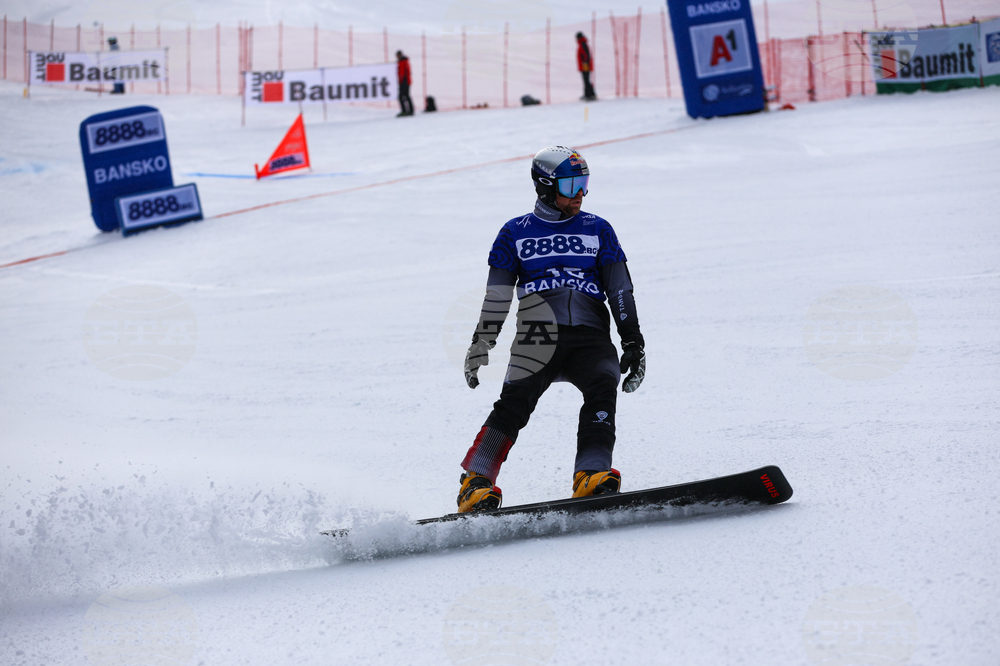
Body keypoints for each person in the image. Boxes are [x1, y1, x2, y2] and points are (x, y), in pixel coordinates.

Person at [458, 146, 645, 513]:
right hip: (537, 334)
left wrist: (633, 341)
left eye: (585, 183)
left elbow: (620, 289)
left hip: (591, 334)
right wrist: (482, 342)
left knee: (602, 390)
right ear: (545, 187)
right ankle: (475, 483)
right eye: (572, 184)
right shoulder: (514, 233)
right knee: (515, 403)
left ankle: (591, 473)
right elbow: (497, 294)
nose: (580, 193)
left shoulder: (598, 228)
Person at [576, 32, 596, 101]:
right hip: (584, 66)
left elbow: (586, 55)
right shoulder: (582, 44)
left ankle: (590, 94)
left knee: (586, 80)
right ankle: (587, 94)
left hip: (585, 66)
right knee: (586, 80)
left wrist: (585, 63)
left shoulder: (583, 44)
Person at [395, 50, 413, 116]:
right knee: (407, 96)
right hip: (407, 81)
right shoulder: (406, 61)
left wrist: (400, 81)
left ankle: (404, 110)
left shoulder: (402, 62)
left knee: (401, 97)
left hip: (404, 82)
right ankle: (410, 110)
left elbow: (402, 73)